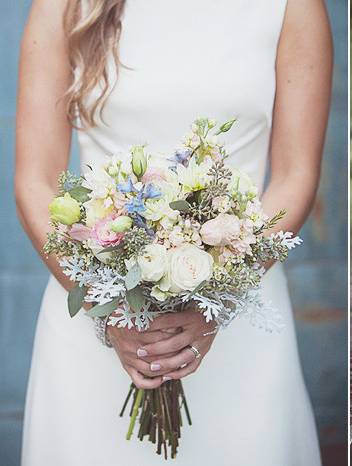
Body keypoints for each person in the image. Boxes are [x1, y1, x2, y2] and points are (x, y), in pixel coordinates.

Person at [14, 0, 332, 464]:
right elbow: (34, 181)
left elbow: (295, 175)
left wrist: (219, 299)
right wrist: (110, 313)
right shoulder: (64, 5)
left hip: (239, 317)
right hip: (91, 314)